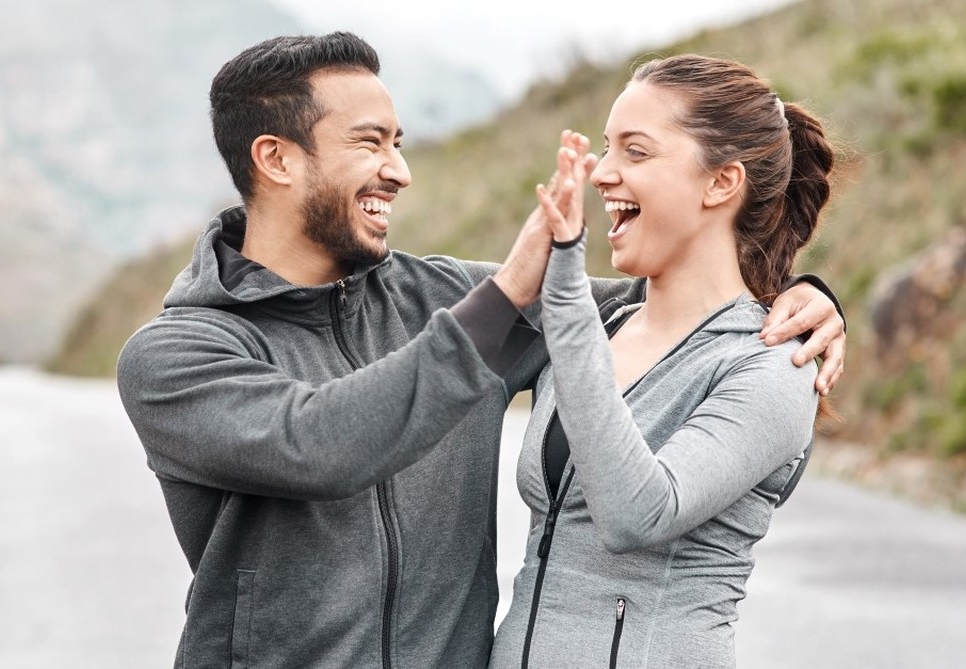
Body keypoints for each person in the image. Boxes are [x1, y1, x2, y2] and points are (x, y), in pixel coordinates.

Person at [116, 33, 846, 669]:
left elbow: (665, 304)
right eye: (370, 142)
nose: (399, 170)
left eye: (399, 143)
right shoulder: (177, 357)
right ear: (276, 159)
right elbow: (319, 442)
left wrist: (798, 291)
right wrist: (506, 299)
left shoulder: (436, 300)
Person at [489, 55, 836, 668]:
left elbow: (639, 513)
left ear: (721, 183)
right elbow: (420, 290)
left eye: (637, 151)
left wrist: (565, 287)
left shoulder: (770, 368)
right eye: (605, 148)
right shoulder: (603, 320)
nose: (601, 172)